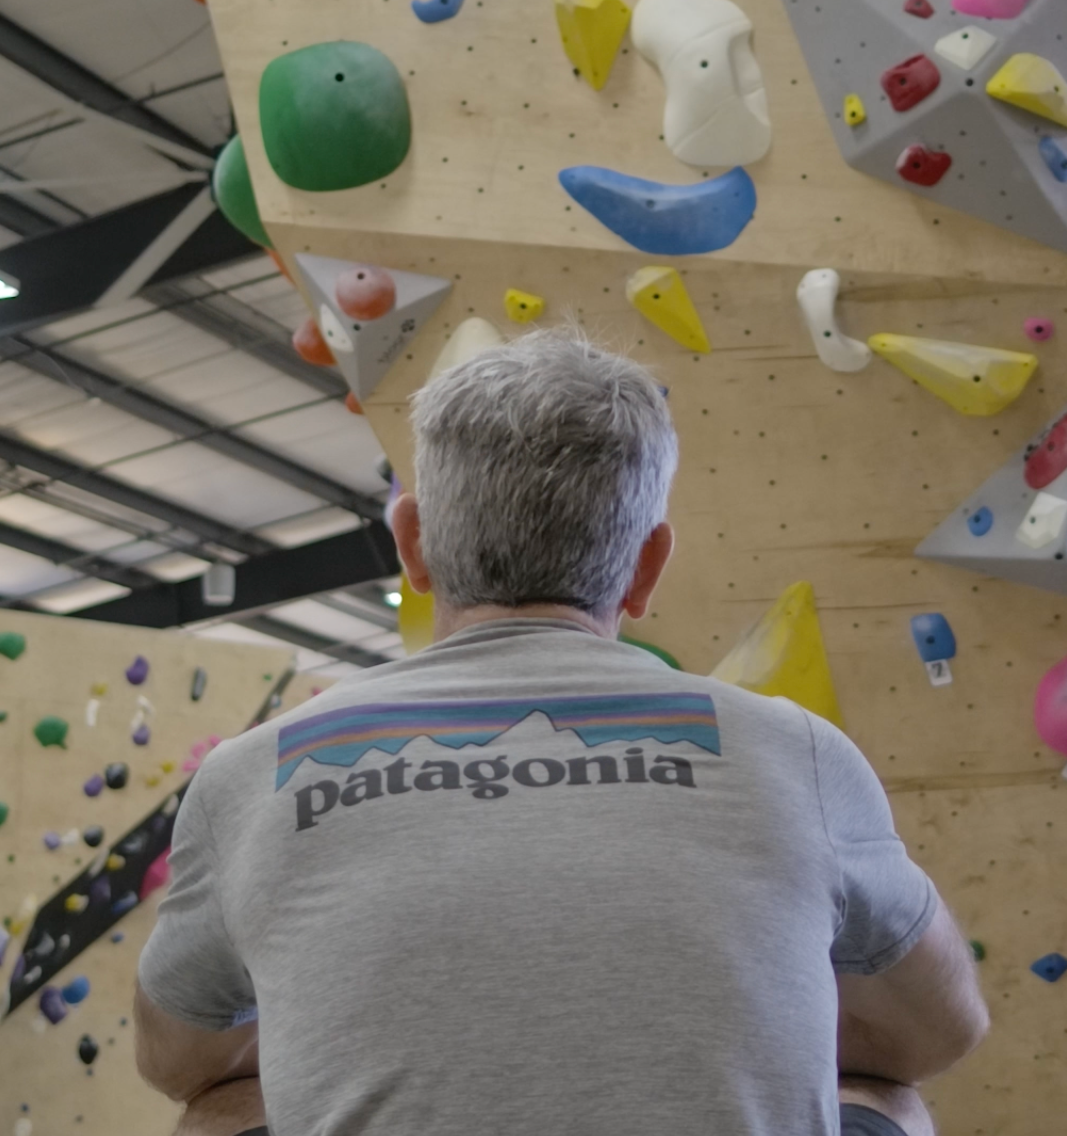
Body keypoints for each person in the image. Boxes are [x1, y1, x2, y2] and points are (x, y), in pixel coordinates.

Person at [134, 330, 989, 1136]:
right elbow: (938, 1033)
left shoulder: (249, 777)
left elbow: (179, 1059)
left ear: (413, 547)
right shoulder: (795, 752)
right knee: (882, 1097)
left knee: (223, 1111)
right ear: (648, 566)